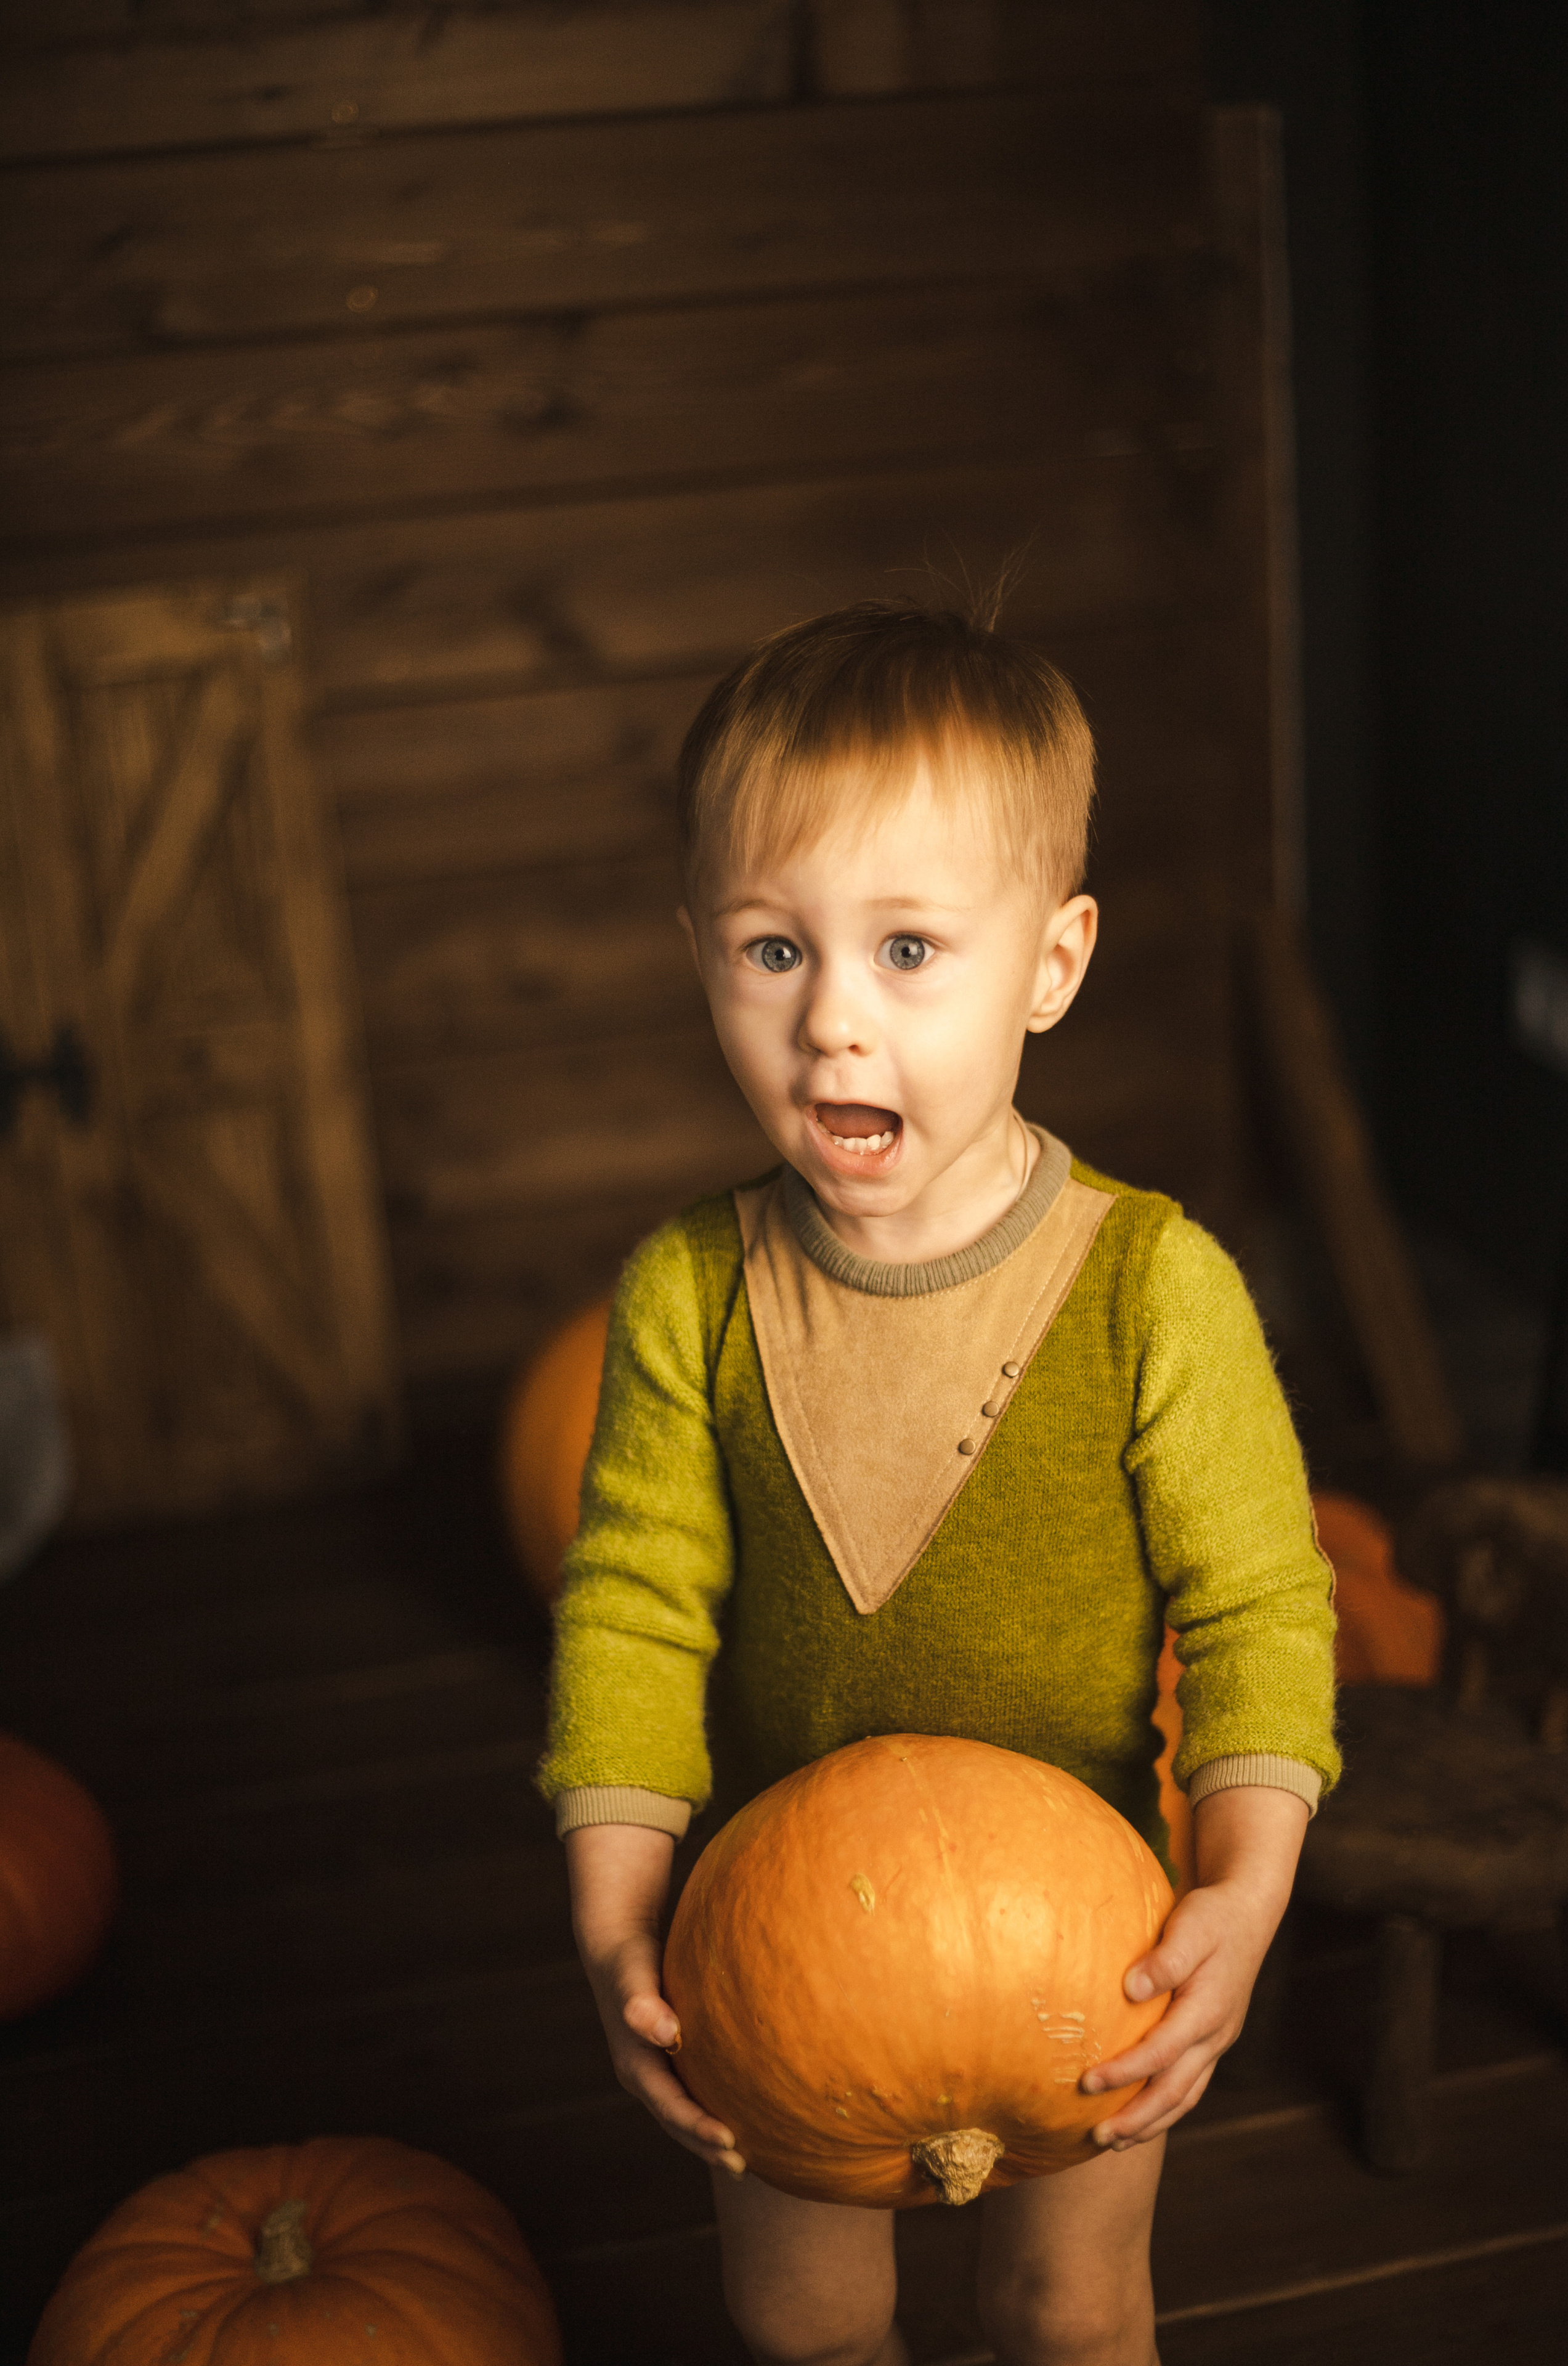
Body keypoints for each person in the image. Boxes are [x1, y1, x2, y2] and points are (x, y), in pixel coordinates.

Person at [537, 600, 1339, 2366]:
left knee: (1072, 2309)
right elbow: (632, 1615)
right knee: (801, 2320)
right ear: (699, 953)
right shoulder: (688, 1293)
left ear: (1051, 964)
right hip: (781, 1941)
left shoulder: (1153, 1287)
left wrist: (1246, 1883)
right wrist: (616, 1920)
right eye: (774, 949)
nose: (833, 1021)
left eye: (909, 950)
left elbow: (1260, 1607)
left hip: (1079, 1946)